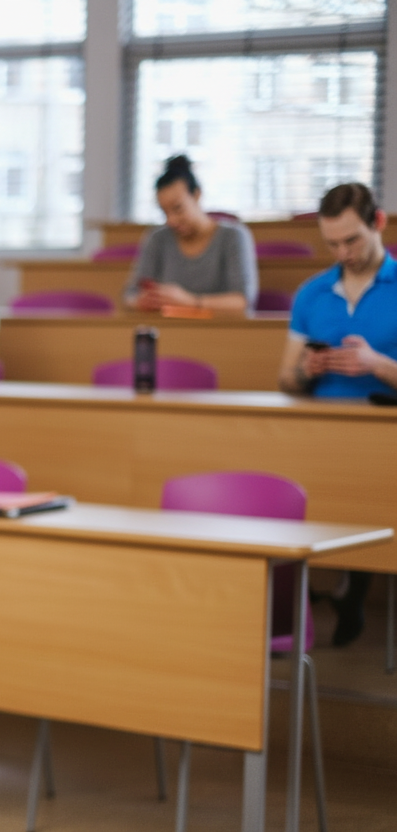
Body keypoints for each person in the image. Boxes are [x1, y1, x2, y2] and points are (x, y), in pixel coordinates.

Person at [277, 181, 396, 646]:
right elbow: (285, 381)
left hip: (384, 436)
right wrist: (305, 371)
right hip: (319, 436)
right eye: (332, 244)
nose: (343, 252)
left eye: (353, 240)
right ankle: (317, 596)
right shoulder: (312, 294)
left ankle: (350, 588)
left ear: (378, 223)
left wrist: (377, 364)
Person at [124, 155, 258, 312]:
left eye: (177, 208)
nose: (171, 220)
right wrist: (140, 300)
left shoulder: (233, 236)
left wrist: (191, 302)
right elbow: (130, 294)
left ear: (197, 194)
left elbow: (242, 301)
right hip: (168, 330)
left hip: (220, 332)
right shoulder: (158, 238)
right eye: (164, 212)